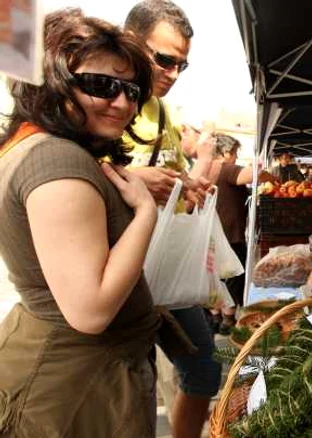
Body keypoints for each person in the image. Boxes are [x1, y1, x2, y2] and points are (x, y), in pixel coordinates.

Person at [0, 10, 161, 435]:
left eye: (131, 90)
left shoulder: (35, 147)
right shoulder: (56, 158)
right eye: (102, 85)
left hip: (74, 375)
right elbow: (90, 310)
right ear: (53, 80)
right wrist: (145, 214)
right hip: (73, 386)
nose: (123, 102)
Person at [123, 2, 220, 437]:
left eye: (182, 64)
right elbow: (61, 171)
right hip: (113, 271)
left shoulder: (163, 114)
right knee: (129, 389)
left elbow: (175, 185)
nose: (174, 73)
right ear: (129, 42)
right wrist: (133, 177)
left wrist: (191, 187)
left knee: (203, 368)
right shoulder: (95, 102)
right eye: (164, 59)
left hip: (159, 269)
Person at [207, 134, 276, 332]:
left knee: (215, 276)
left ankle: (215, 315)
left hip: (216, 232)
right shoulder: (225, 168)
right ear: (226, 153)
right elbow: (255, 174)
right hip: (229, 233)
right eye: (235, 153)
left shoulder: (209, 170)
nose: (236, 157)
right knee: (235, 274)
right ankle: (228, 317)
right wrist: (271, 177)